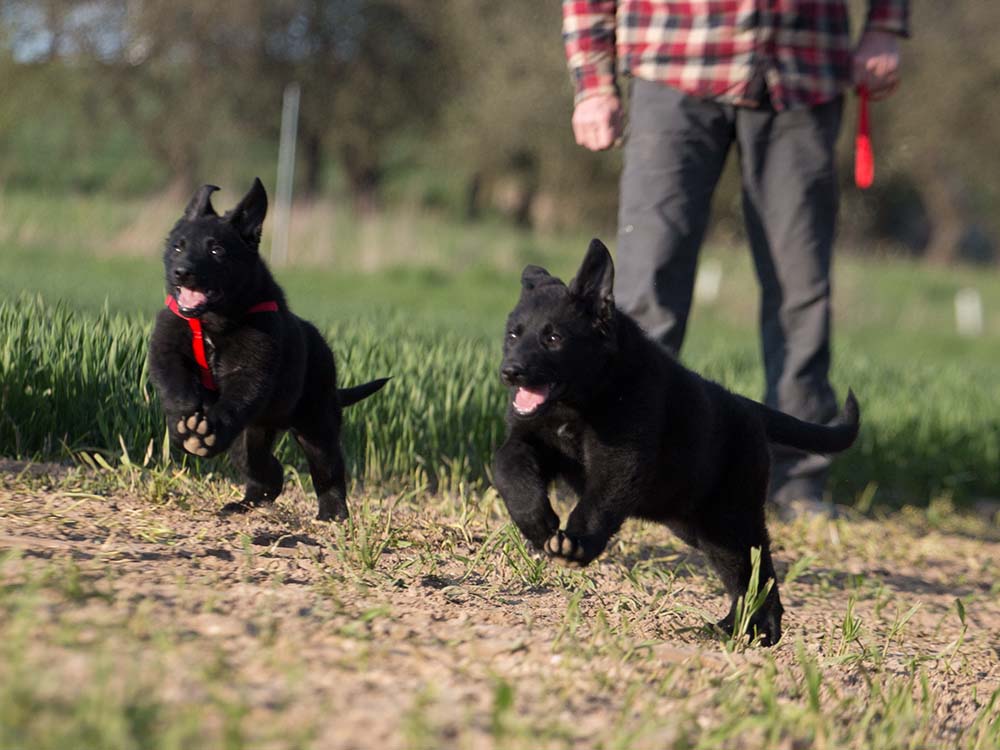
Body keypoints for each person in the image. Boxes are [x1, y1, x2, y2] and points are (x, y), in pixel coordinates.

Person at [562, 0, 907, 515]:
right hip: (675, 62)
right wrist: (593, 80)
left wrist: (883, 25)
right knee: (646, 288)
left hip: (803, 69)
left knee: (801, 290)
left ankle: (796, 481)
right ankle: (619, 465)